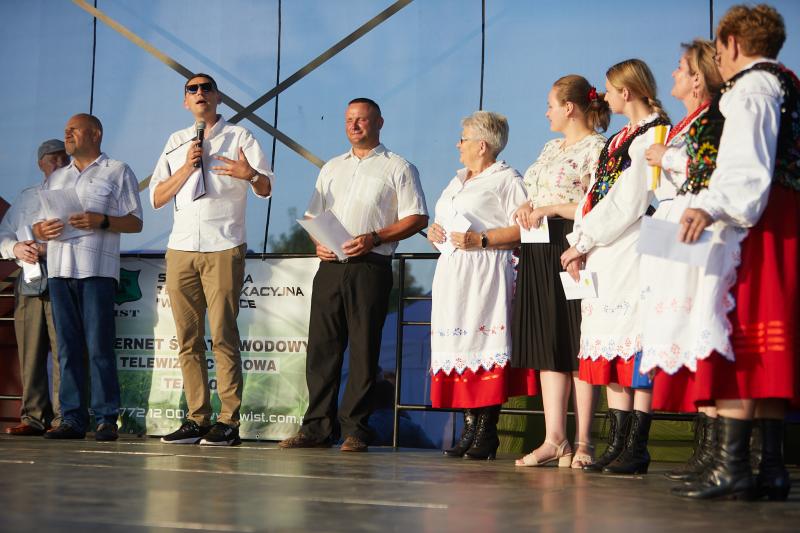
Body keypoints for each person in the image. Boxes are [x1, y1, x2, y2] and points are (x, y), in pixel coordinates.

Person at [663, 4, 799, 501]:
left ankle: (734, 466)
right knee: (765, 340)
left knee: (739, 333)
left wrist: (711, 205)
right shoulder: (784, 82)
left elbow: (745, 165)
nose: (717, 58)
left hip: (757, 224)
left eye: (719, 48)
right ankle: (770, 467)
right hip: (780, 216)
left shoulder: (752, 87)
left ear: (734, 43)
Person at [279, 98, 427, 453]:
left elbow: (417, 217)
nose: (354, 126)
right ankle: (316, 428)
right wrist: (318, 243)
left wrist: (375, 237)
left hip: (370, 266)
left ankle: (356, 430)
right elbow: (313, 216)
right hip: (330, 267)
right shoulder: (331, 167)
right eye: (349, 120)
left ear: (379, 122)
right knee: (322, 349)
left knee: (363, 349)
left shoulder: (398, 167)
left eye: (361, 119)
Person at [151, 73, 274, 446]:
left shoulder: (240, 137)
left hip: (223, 245)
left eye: (206, 88)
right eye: (193, 89)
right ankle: (196, 418)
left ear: (218, 97)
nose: (200, 93)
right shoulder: (176, 142)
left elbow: (266, 187)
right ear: (185, 101)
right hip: (181, 248)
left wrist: (250, 174)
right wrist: (186, 167)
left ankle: (228, 420)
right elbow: (156, 197)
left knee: (222, 334)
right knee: (187, 339)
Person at [560, 59, 670, 475]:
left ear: (626, 91)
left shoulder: (655, 133)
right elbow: (594, 195)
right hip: (605, 249)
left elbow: (630, 198)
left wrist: (584, 240)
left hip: (631, 247)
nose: (604, 96)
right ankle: (617, 441)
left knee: (632, 343)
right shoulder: (620, 138)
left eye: (608, 89)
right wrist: (580, 240)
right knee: (608, 345)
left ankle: (636, 445)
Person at [511, 75, 609, 468]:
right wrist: (527, 206)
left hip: (572, 243)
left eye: (551, 105)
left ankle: (584, 441)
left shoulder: (597, 148)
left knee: (575, 341)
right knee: (548, 341)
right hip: (538, 246)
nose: (546, 112)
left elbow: (596, 203)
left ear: (569, 107)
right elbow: (537, 193)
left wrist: (550, 208)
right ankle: (555, 438)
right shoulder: (550, 147)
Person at [639, 39, 725, 482]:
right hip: (671, 222)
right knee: (676, 328)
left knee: (697, 327)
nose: (672, 73)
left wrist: (667, 157)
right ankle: (703, 449)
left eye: (680, 67)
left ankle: (716, 450)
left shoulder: (714, 118)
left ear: (697, 79)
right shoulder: (684, 123)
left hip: (696, 223)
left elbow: (714, 169)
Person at [33, 114, 143, 441]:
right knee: (67, 349)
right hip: (59, 270)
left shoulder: (117, 170)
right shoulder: (56, 178)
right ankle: (72, 419)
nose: (67, 134)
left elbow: (136, 222)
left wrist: (101, 220)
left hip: (97, 271)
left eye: (73, 130)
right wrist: (42, 230)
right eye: (65, 130)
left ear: (95, 134)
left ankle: (106, 418)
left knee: (99, 347)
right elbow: (38, 225)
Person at [427, 111, 527, 461]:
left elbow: (525, 227)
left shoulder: (506, 179)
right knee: (460, 347)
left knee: (483, 344)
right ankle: (469, 427)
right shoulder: (456, 181)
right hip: (453, 272)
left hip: (486, 270)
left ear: (482, 145)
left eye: (464, 138)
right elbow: (444, 223)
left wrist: (482, 239)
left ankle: (486, 430)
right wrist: (435, 232)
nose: (458, 144)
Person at [0, 139, 68, 436]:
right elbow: (4, 234)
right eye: (52, 159)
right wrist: (16, 248)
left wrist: (46, 248)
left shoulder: (75, 194)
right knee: (30, 350)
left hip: (63, 275)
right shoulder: (27, 196)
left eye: (63, 158)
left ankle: (65, 417)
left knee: (64, 349)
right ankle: (34, 416)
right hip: (28, 277)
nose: (58, 164)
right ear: (41, 164)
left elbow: (84, 239)